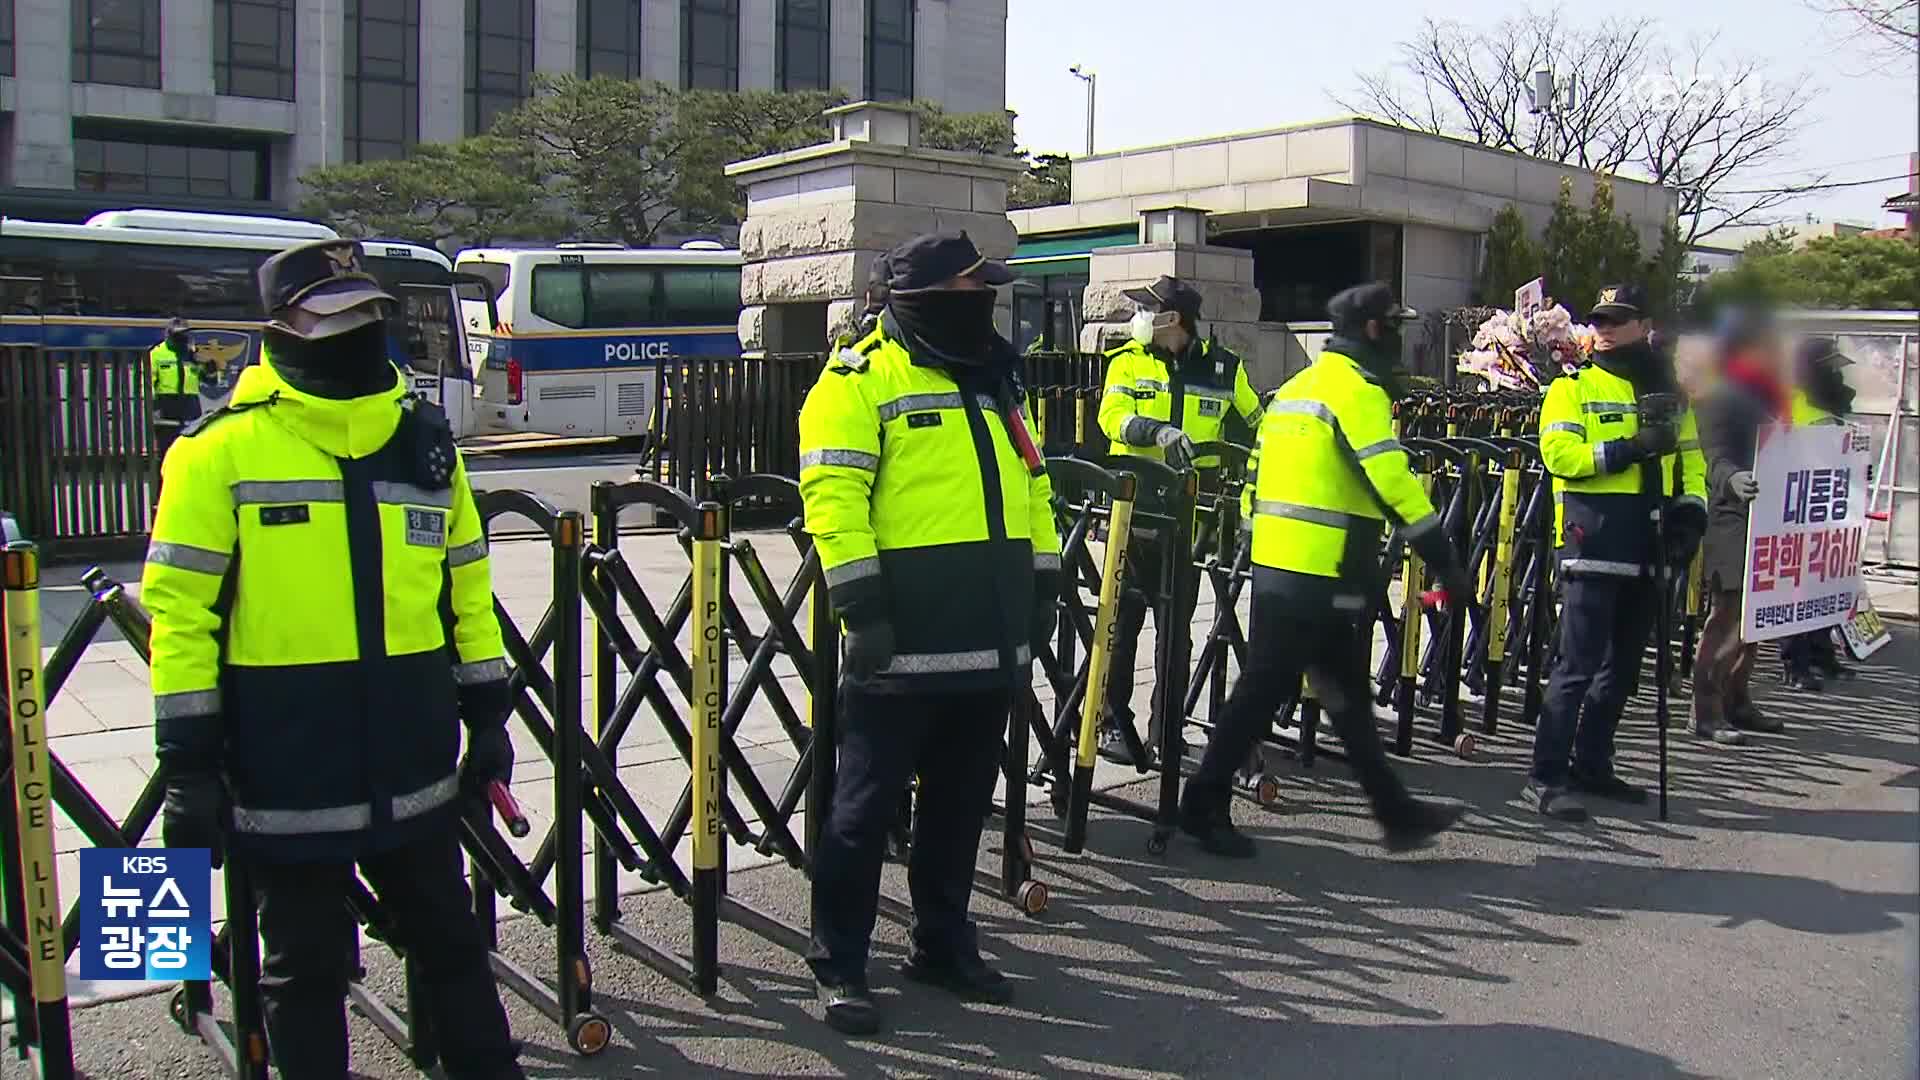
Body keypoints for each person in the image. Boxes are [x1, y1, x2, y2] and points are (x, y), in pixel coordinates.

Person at [143, 239, 524, 1080]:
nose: (358, 340)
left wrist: (490, 720)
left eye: (367, 318)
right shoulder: (216, 452)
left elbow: (468, 592)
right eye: (335, 322)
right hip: (286, 767)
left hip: (413, 758)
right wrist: (187, 767)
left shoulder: (426, 446)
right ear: (281, 330)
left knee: (454, 947)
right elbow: (179, 617)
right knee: (305, 973)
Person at [798, 232, 1060, 1035]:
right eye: (974, 289)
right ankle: (840, 961)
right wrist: (862, 608)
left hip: (989, 636)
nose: (989, 302)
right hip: (900, 639)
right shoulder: (854, 381)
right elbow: (834, 502)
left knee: (958, 806)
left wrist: (1044, 582)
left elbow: (1033, 486)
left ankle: (942, 943)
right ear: (928, 297)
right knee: (863, 809)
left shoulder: (997, 380)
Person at [1178, 282, 1470, 858]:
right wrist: (1443, 557)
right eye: (1395, 326)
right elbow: (1392, 482)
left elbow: (1256, 480)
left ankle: (1395, 811)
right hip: (1321, 572)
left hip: (1280, 566)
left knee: (1343, 695)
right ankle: (1202, 801)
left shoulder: (1295, 389)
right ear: (1373, 330)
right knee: (1266, 691)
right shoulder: (1356, 393)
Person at [1528, 284, 1712, 822]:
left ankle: (1593, 763)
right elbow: (1560, 454)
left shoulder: (1672, 394)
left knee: (1624, 668)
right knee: (1577, 665)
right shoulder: (1573, 388)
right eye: (1599, 319)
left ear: (1643, 323)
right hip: (1593, 540)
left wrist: (1691, 513)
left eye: (1618, 319)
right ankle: (1546, 774)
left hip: (1649, 540)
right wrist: (1629, 449)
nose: (1605, 328)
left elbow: (1693, 464)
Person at [1094, 275, 1263, 765]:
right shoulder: (1126, 362)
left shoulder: (1224, 370)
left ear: (1176, 321)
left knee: (1176, 632)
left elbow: (1257, 426)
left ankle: (1165, 732)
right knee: (1120, 627)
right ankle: (1109, 725)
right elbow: (1112, 417)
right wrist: (1157, 432)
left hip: (1189, 523)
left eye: (1152, 310)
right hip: (1133, 514)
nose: (1141, 319)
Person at [1691, 311, 1796, 737]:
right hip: (1733, 520)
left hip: (1767, 519)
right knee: (1726, 618)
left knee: (1757, 620)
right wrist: (1732, 479)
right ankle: (1706, 712)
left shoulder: (1764, 397)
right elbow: (1714, 457)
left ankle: (1737, 698)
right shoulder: (1716, 397)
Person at [1780, 336, 1857, 689]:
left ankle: (1822, 653)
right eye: (1830, 367)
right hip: (1797, 509)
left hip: (1832, 505)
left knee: (1825, 584)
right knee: (1795, 588)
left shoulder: (1834, 405)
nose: (1837, 375)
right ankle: (1795, 662)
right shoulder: (1790, 404)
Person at [150, 318, 204, 457]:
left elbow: (210, 381)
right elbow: (147, 384)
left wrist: (209, 370)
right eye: (179, 335)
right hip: (167, 408)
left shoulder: (192, 354)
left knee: (191, 453)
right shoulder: (157, 354)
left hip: (190, 408)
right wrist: (155, 407)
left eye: (185, 334)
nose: (183, 338)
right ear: (170, 335)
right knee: (166, 453)